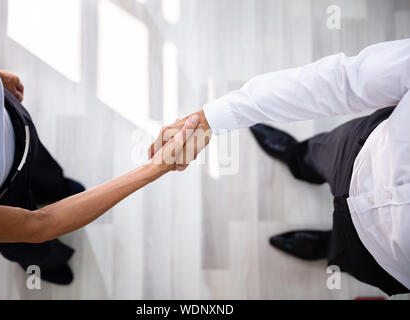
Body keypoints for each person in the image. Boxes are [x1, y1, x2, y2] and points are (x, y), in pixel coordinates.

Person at [151, 39, 410, 296]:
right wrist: (211, 120)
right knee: (316, 153)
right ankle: (296, 156)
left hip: (378, 256)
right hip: (360, 152)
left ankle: (326, 247)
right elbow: (346, 81)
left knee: (342, 254)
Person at [0, 29, 202, 285]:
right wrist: (154, 168)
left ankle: (57, 189)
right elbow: (37, 225)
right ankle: (49, 262)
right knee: (30, 246)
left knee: (50, 176)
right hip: (1, 200)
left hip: (22, 133)